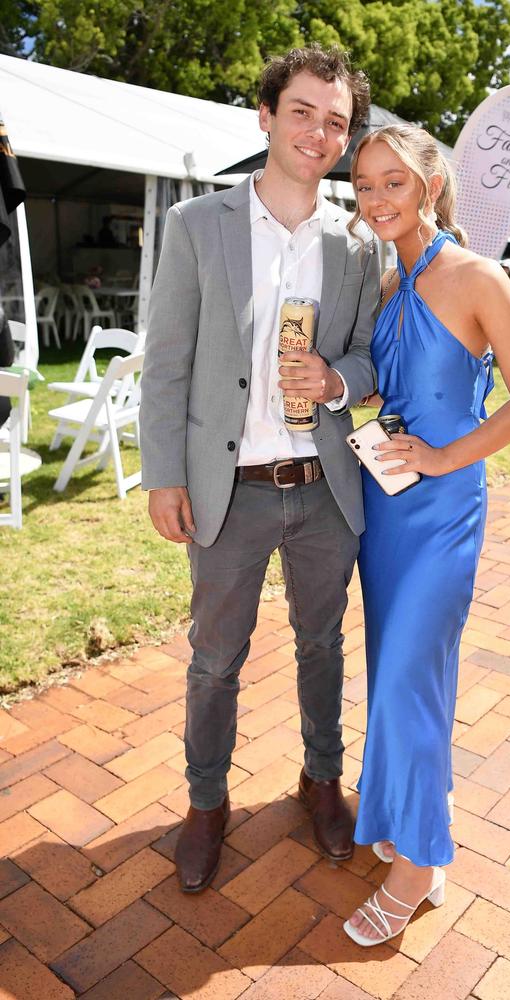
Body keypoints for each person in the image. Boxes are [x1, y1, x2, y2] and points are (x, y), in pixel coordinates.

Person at [139, 45, 379, 893]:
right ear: (268, 116)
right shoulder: (197, 226)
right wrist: (162, 473)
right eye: (305, 111)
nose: (320, 132)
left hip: (323, 492)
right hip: (228, 494)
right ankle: (207, 805)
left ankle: (321, 782)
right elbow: (165, 362)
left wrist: (340, 378)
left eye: (337, 122)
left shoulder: (357, 242)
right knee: (215, 660)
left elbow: (371, 357)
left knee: (324, 645)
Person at [342, 124, 510, 946]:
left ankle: (419, 868)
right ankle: (407, 811)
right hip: (384, 508)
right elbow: (390, 394)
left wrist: (442, 456)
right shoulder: (385, 284)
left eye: (393, 181)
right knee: (402, 676)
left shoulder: (475, 275)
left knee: (407, 680)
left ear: (430, 182)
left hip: (443, 511)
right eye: (363, 186)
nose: (378, 198)